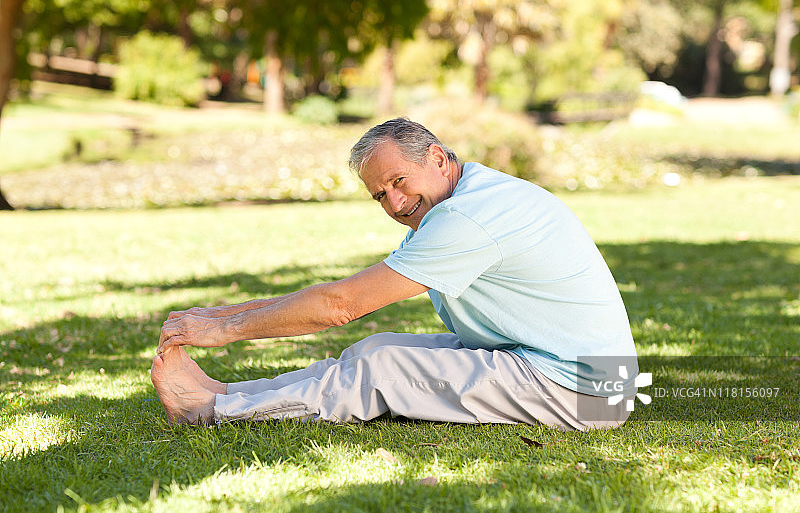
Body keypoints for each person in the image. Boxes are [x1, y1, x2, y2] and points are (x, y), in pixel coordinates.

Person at [152, 118, 638, 429]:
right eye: (380, 194)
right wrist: (218, 313)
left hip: (585, 390)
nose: (396, 203)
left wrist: (222, 328)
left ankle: (210, 413)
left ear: (437, 157)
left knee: (382, 371)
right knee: (377, 349)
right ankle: (228, 394)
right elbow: (342, 294)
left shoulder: (467, 218)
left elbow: (342, 305)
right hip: (561, 366)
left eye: (398, 181)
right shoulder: (462, 199)